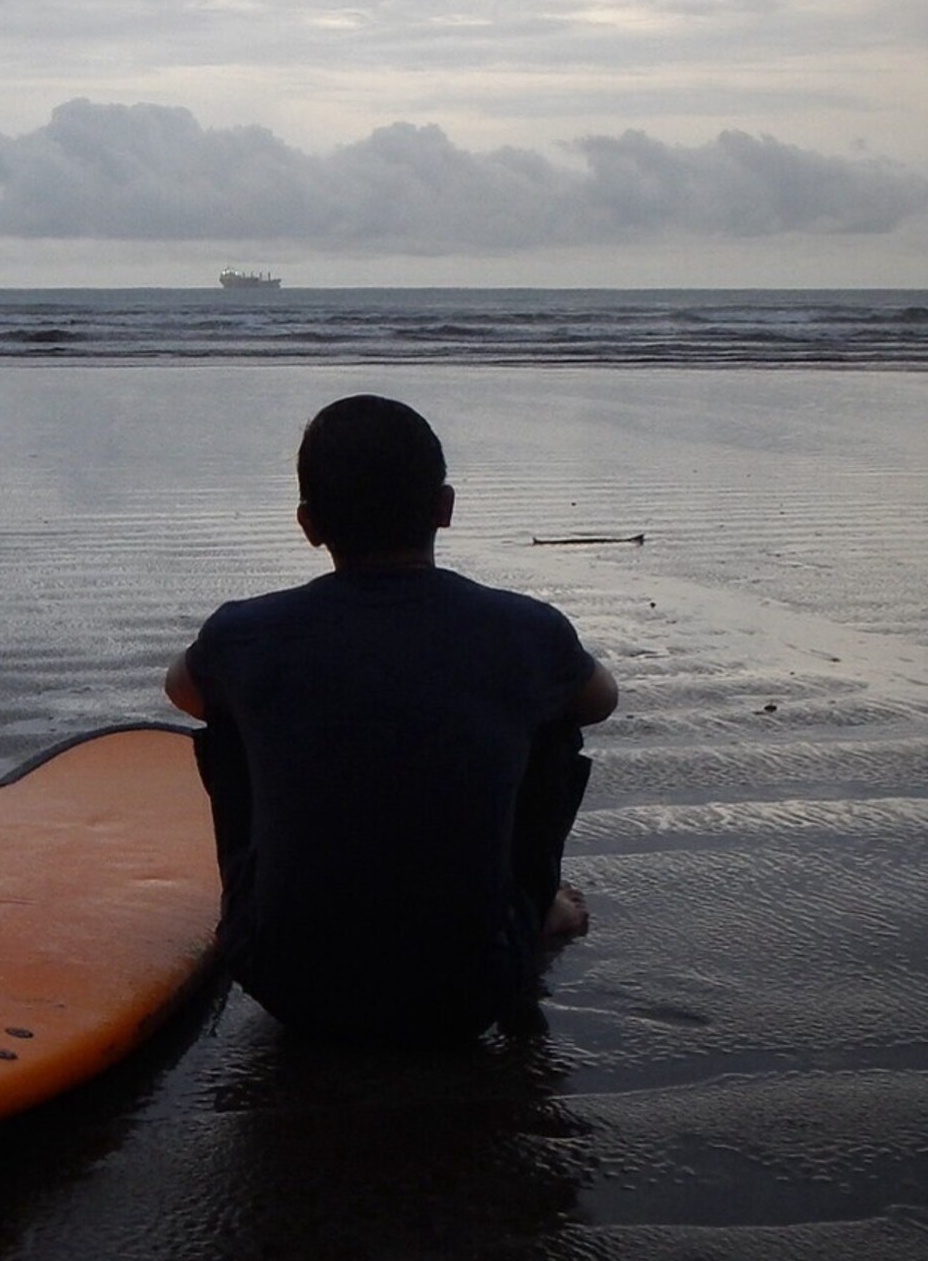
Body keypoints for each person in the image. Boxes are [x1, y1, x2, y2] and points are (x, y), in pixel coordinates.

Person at [165, 395, 617, 1044]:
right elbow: (599, 701)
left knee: (230, 714)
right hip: (474, 983)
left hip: (284, 978)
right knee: (555, 720)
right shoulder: (526, 630)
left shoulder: (246, 632)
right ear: (444, 508)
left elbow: (181, 691)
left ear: (309, 524)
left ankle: (278, 899)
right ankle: (529, 904)